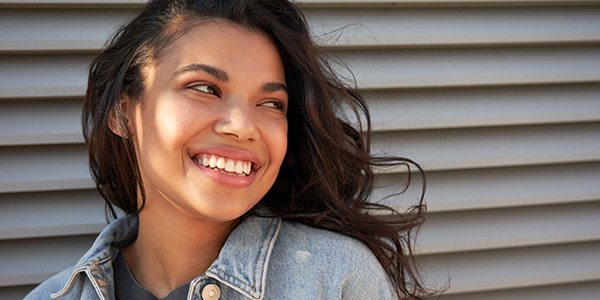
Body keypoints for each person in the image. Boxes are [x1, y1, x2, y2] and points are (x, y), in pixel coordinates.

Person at [26, 0, 430, 299]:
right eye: (204, 88)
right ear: (123, 111)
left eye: (271, 103)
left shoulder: (336, 277)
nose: (242, 126)